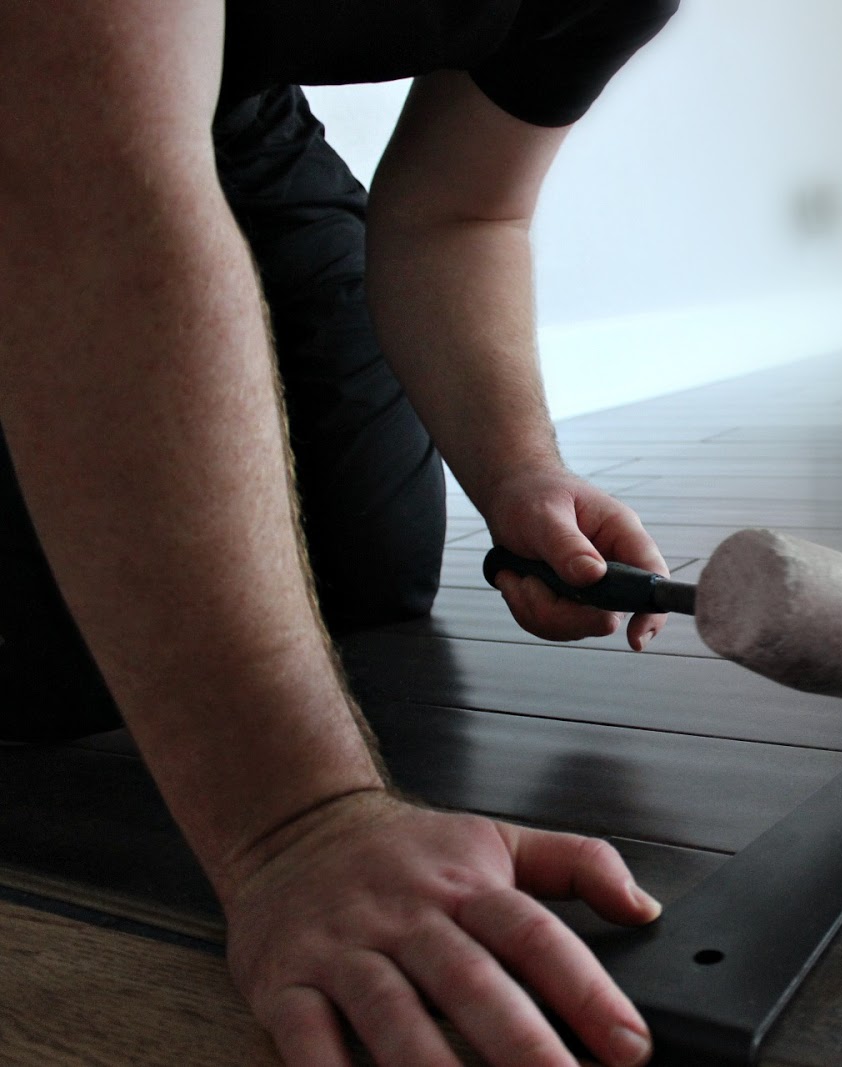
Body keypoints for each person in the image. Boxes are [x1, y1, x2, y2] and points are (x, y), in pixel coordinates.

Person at [0, 1, 680, 1064]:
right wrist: (296, 825)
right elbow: (88, 186)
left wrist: (519, 466)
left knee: (362, 578)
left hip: (224, 105)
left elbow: (461, 212)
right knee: (59, 672)